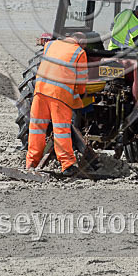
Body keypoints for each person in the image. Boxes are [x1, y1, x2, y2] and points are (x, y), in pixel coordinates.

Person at [25, 33, 88, 176]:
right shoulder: (79, 52)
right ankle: (67, 164)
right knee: (61, 130)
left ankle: (31, 162)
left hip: (40, 91)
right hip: (59, 95)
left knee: (36, 128)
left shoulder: (50, 45)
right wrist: (80, 95)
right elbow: (81, 81)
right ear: (81, 43)